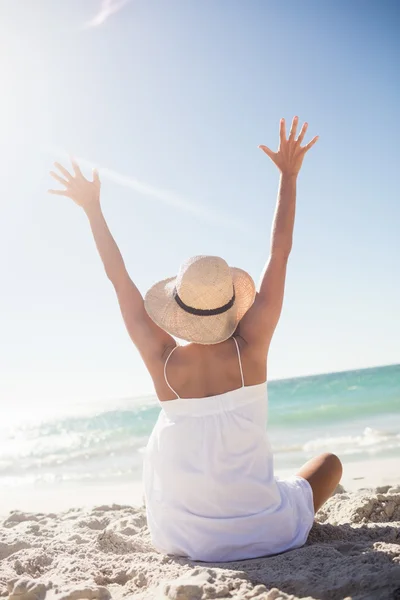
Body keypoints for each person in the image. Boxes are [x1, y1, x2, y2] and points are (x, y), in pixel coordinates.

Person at [49, 116, 342, 562]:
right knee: (329, 465)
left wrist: (92, 209)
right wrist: (288, 176)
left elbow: (119, 279)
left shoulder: (161, 359)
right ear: (231, 301)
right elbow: (278, 253)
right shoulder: (252, 347)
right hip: (266, 527)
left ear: (178, 307)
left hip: (187, 538)